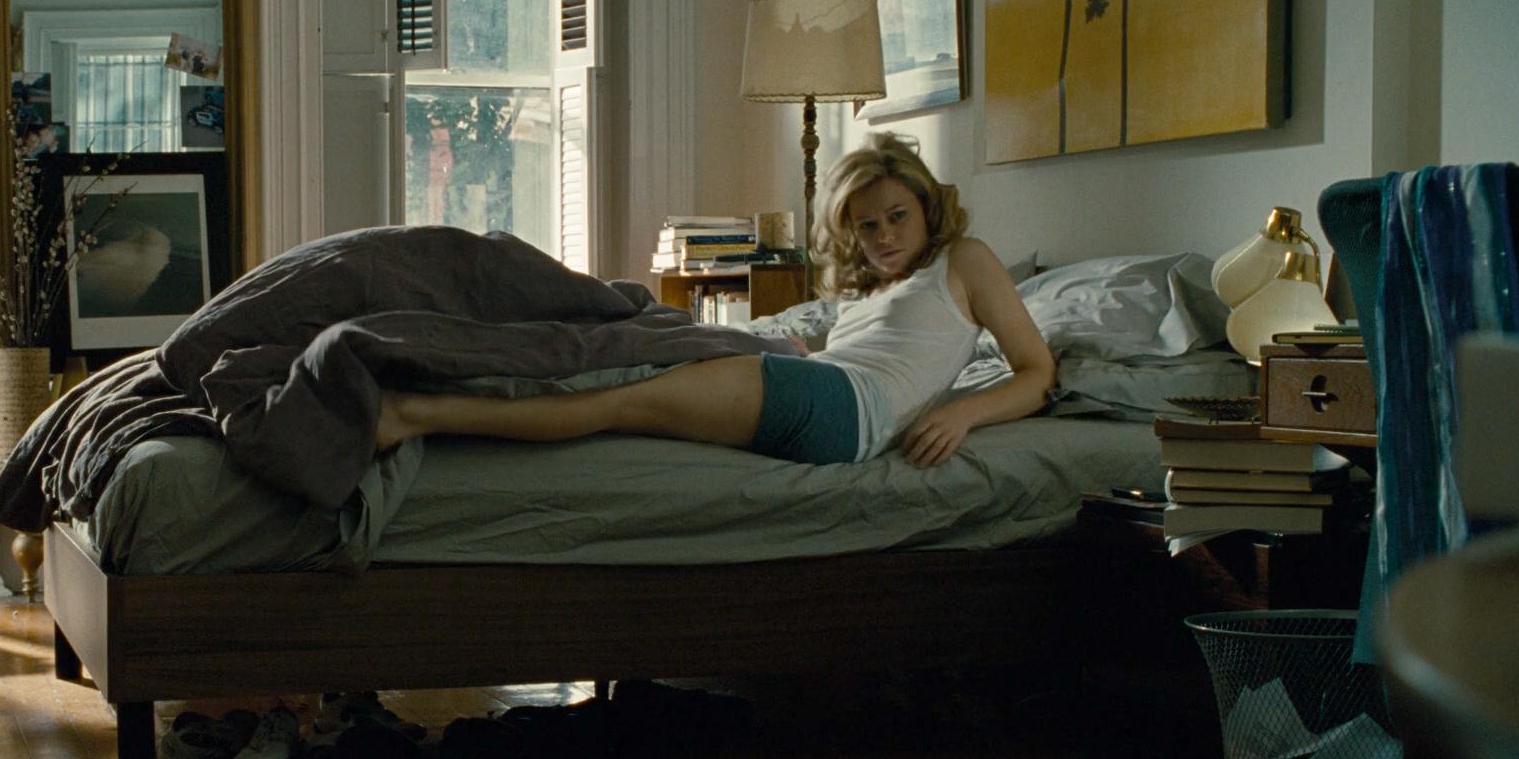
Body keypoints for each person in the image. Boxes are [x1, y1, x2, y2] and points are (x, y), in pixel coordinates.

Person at [376, 133, 1054, 468]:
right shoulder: (881, 287)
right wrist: (796, 347)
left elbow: (1036, 371)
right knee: (621, 347)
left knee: (614, 397)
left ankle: (418, 412)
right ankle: (443, 360)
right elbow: (881, 348)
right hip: (821, 390)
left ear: (928, 207)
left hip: (841, 410)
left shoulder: (966, 260)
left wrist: (963, 413)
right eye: (867, 225)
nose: (883, 237)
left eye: (897, 217)